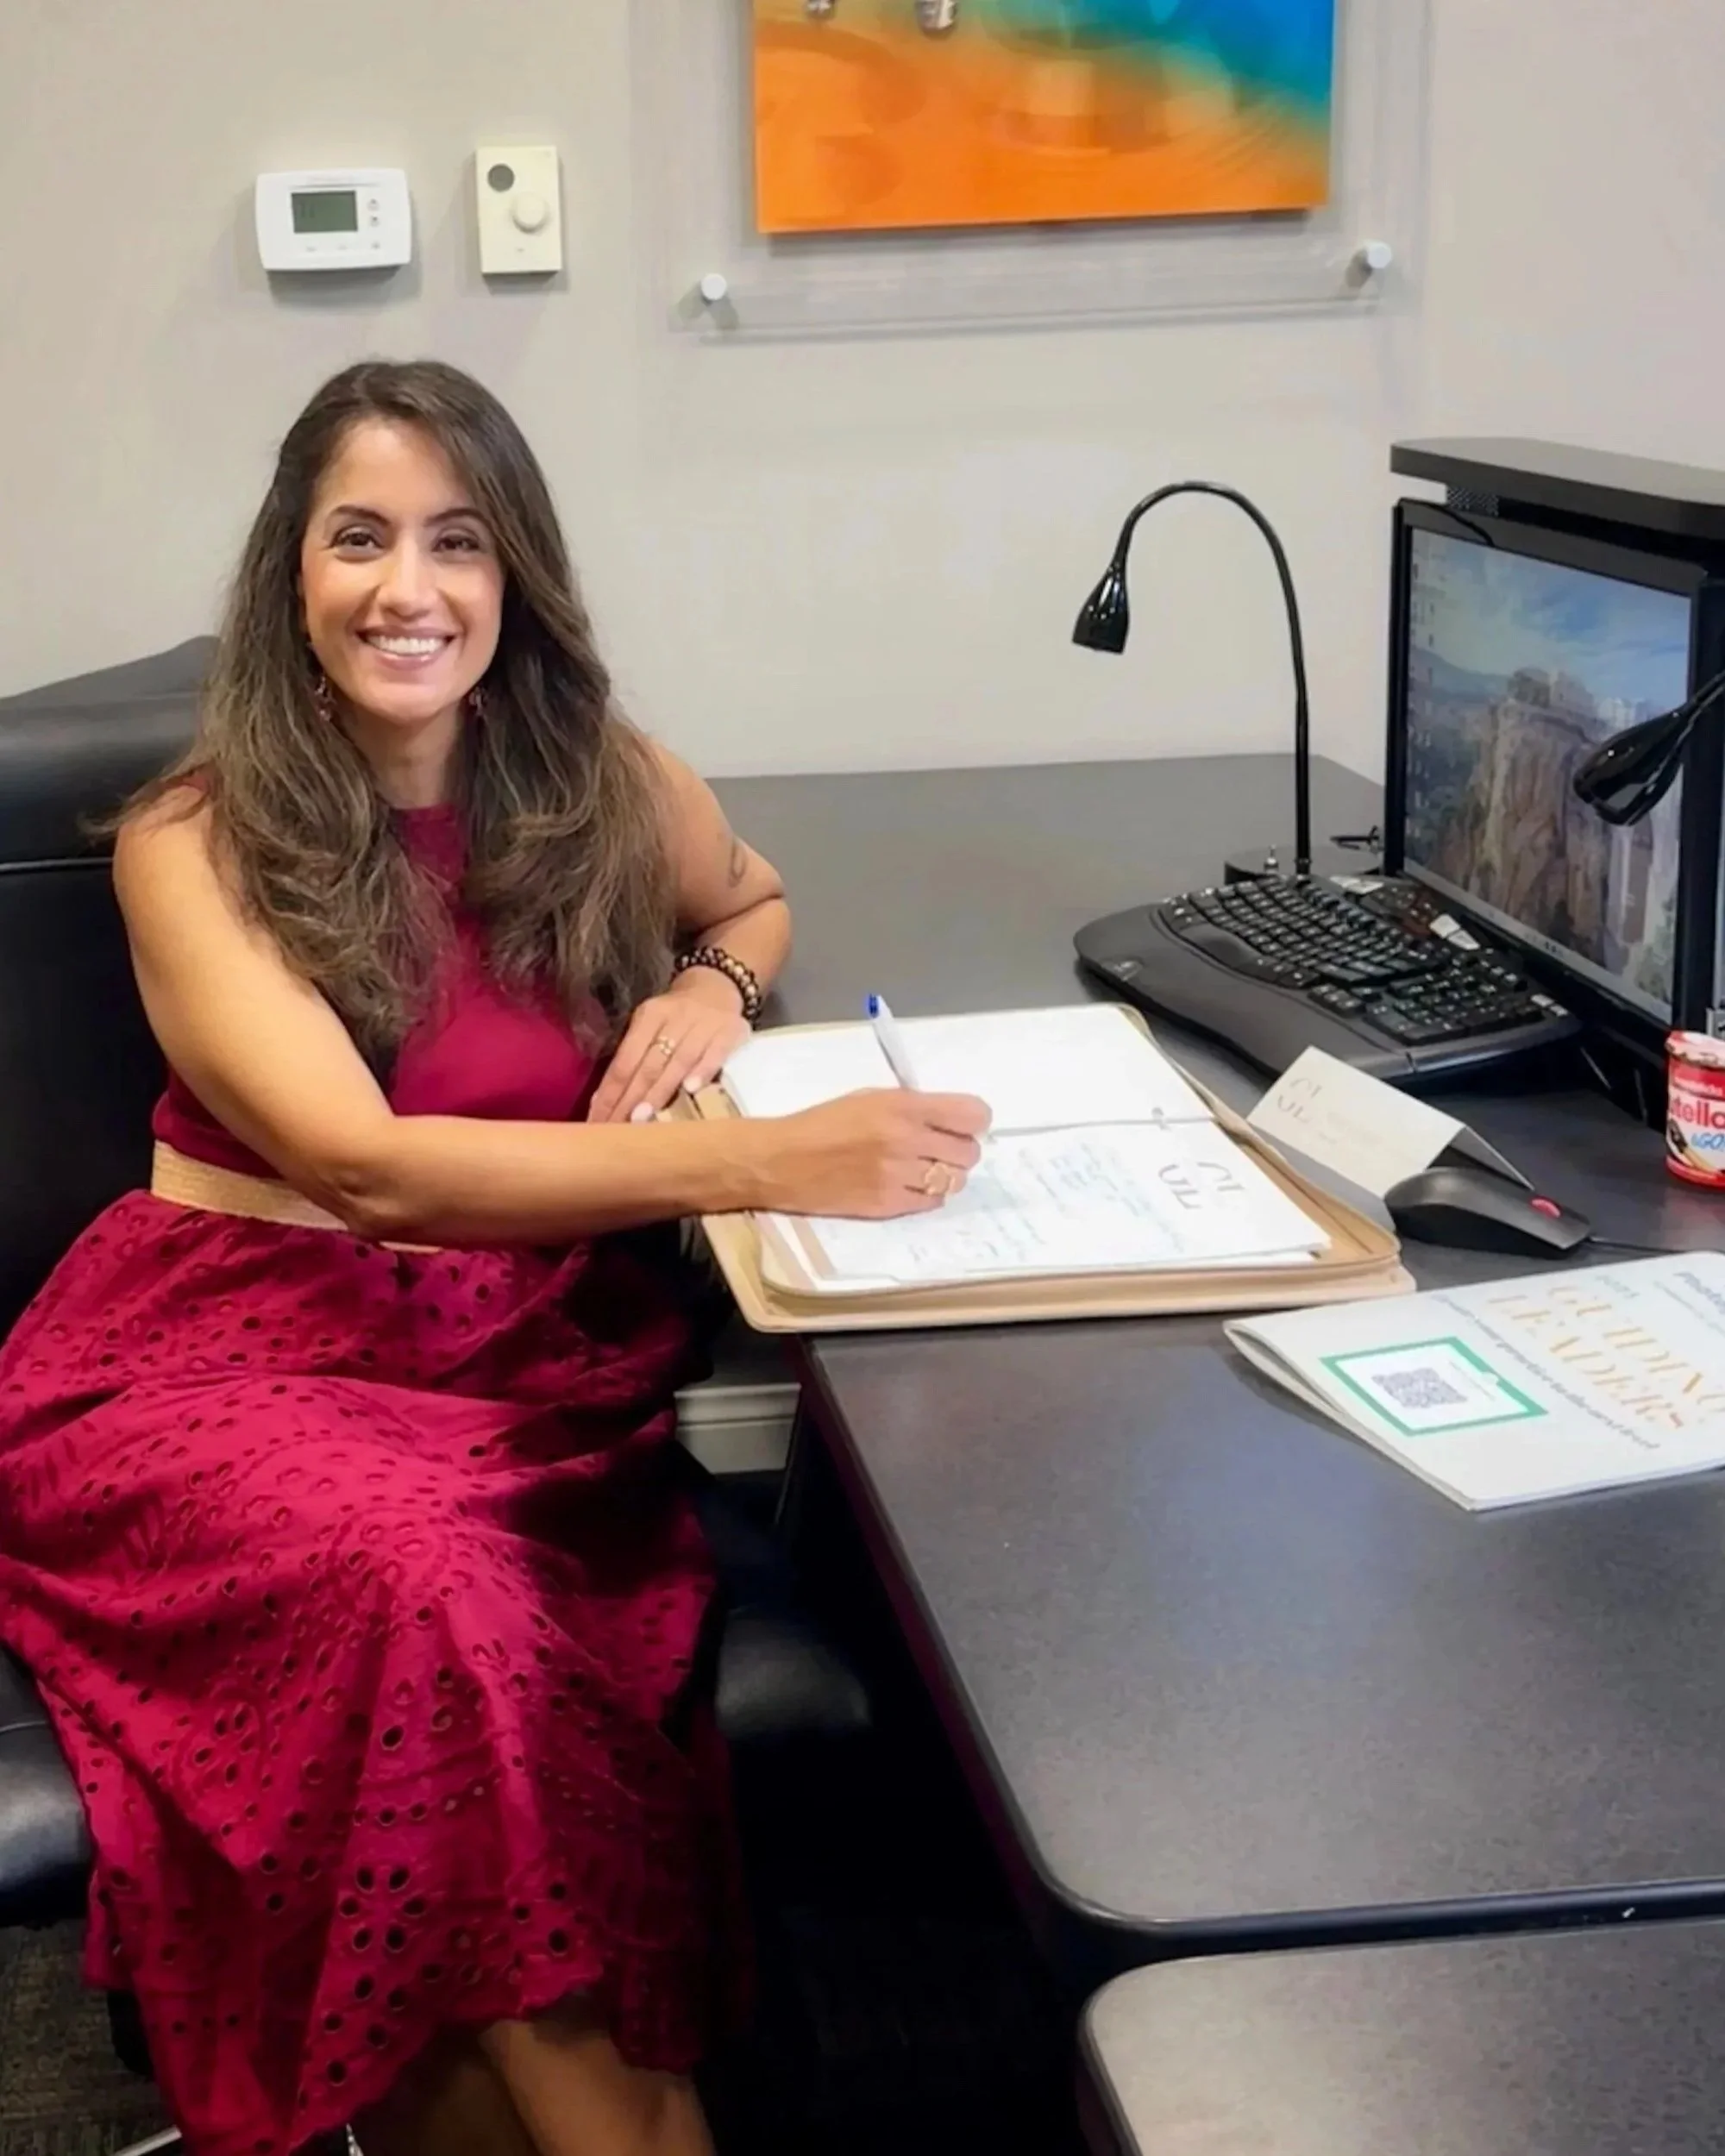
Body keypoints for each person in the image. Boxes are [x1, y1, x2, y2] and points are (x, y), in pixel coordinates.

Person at [0, 359, 989, 2156]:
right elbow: (364, 1168)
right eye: (358, 537)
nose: (410, 588)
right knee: (446, 1634)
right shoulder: (195, 840)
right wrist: (767, 1152)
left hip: (521, 1358)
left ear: (513, 570)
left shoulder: (597, 780)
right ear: (288, 576)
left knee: (480, 1689)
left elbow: (749, 893)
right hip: (227, 1355)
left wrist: (711, 985)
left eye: (456, 541)